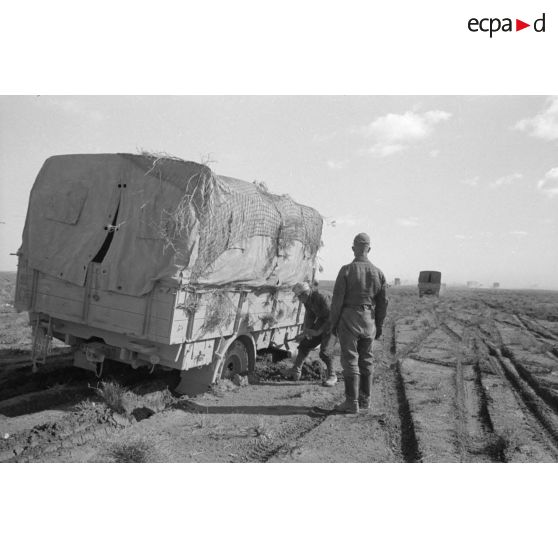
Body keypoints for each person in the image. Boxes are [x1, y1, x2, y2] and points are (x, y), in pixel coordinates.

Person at [329, 233, 388, 413]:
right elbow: (384, 303)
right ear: (369, 249)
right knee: (367, 361)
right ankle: (365, 401)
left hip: (349, 318)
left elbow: (337, 301)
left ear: (354, 248)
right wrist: (379, 325)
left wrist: (332, 324)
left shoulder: (346, 270)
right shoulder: (378, 273)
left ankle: (351, 403)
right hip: (369, 320)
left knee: (350, 360)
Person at [285, 281, 338, 386]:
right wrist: (305, 332)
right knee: (305, 343)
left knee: (325, 351)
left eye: (299, 297)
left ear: (305, 294)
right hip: (323, 320)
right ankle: (296, 370)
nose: (298, 299)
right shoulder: (308, 300)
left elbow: (332, 317)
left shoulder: (321, 297)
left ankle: (332, 375)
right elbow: (310, 316)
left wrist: (318, 331)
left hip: (334, 322)